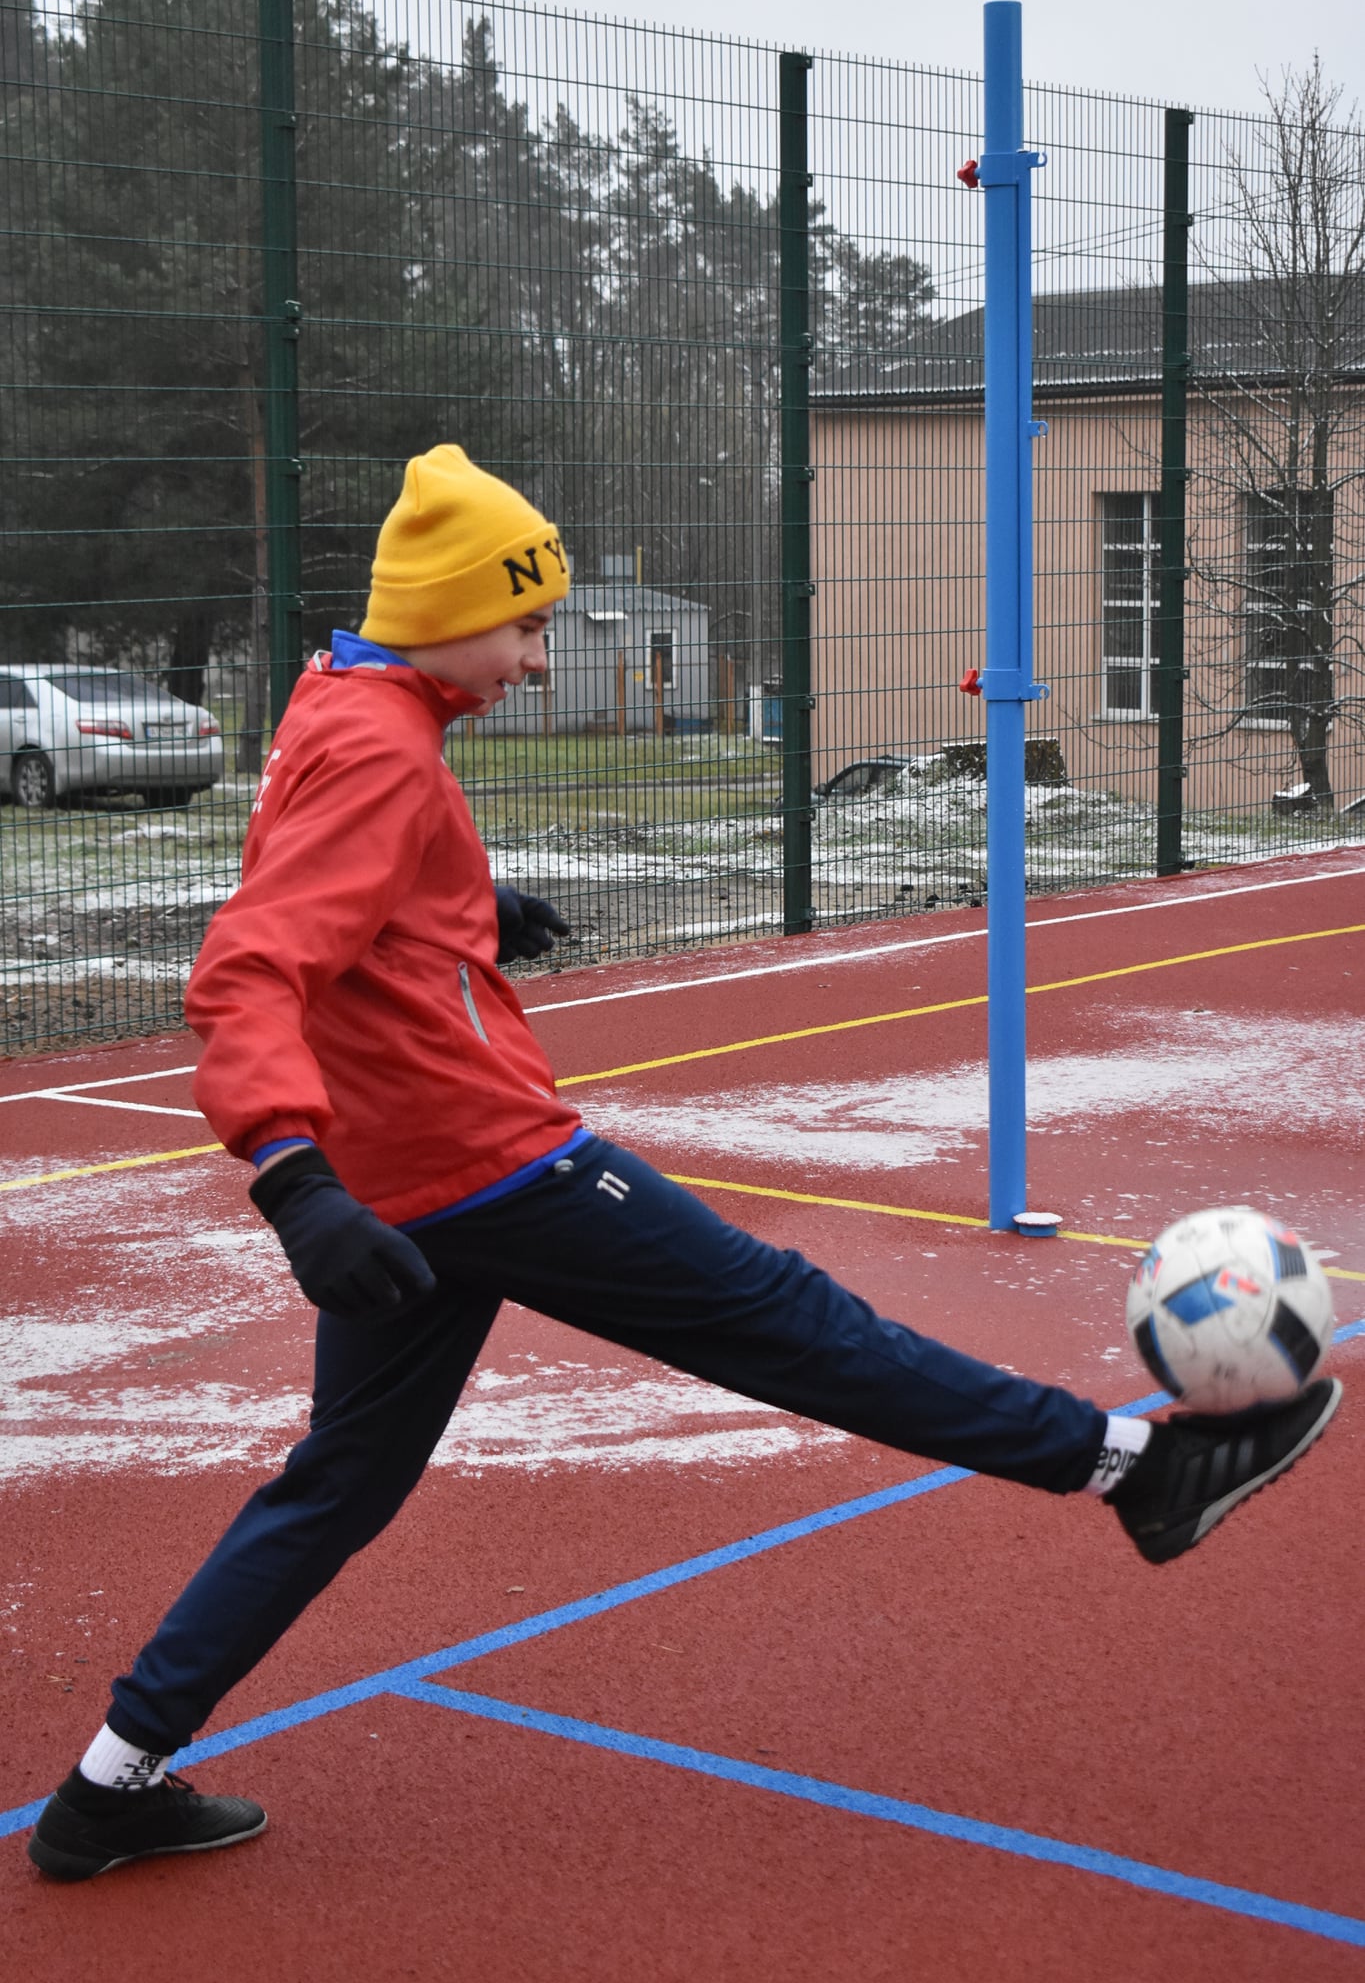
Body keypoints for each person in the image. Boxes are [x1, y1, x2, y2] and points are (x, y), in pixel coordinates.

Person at [27, 445, 1342, 1883]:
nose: (538, 658)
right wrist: (290, 1176)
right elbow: (245, 968)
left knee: (334, 1484)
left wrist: (464, 904)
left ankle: (108, 1786)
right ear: (453, 608)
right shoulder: (381, 748)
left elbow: (320, 868)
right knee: (791, 1320)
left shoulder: (343, 694)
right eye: (524, 624)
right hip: (479, 1166)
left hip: (402, 1182)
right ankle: (1131, 1472)